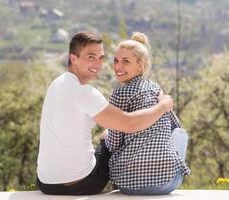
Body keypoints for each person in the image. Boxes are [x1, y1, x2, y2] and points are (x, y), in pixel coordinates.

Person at [36, 31, 174, 195]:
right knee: (109, 138)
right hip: (82, 183)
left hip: (45, 182)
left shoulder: (57, 83)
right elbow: (130, 124)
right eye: (91, 57)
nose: (98, 63)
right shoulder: (85, 92)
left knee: (107, 135)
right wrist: (164, 105)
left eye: (101, 58)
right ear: (73, 58)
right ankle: (137, 179)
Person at [105, 32, 191, 195]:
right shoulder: (156, 89)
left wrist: (107, 135)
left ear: (141, 65)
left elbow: (114, 144)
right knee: (179, 135)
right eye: (116, 60)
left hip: (129, 184)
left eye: (126, 61)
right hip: (169, 181)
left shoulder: (119, 94)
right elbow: (177, 128)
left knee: (106, 140)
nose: (118, 66)